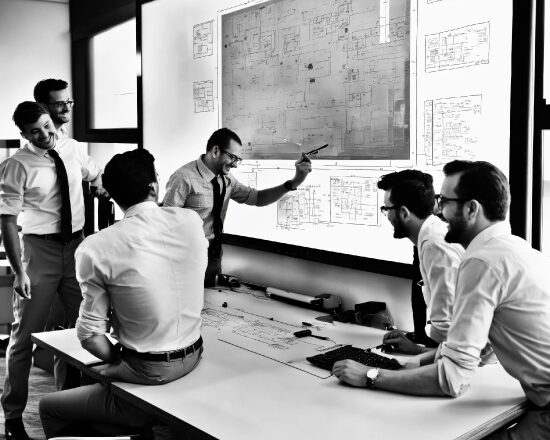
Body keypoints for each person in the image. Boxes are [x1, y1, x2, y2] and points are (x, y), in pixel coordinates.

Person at [333, 160, 550, 439]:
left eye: (444, 200)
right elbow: (482, 347)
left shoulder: (482, 262)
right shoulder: (516, 249)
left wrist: (370, 376)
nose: (437, 209)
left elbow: (453, 379)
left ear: (471, 209)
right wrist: (413, 362)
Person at [39, 148, 208, 437]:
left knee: (49, 406)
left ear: (114, 196)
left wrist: (118, 363)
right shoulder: (191, 221)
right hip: (195, 356)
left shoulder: (96, 247)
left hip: (149, 370)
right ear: (154, 187)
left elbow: (90, 336)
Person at [0, 102, 106, 440]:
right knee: (23, 336)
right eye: (35, 132)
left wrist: (107, 184)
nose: (46, 135)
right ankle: (13, 416)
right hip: (38, 252)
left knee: (83, 331)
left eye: (48, 126)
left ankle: (73, 406)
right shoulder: (16, 165)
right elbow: (7, 221)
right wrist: (19, 272)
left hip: (77, 248)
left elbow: (96, 174)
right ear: (24, 135)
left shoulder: (72, 147)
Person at [162, 127, 312, 286]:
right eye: (233, 157)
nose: (236, 165)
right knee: (188, 307)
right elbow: (164, 225)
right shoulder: (183, 178)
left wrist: (294, 182)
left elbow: (258, 198)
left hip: (214, 256)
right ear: (215, 151)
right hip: (186, 260)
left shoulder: (227, 180)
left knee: (211, 304)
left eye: (238, 159)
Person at [377, 170, 464, 354]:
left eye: (386, 209)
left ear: (403, 212)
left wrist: (417, 351)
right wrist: (416, 347)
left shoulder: (435, 245)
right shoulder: (431, 235)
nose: (387, 216)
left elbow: (448, 331)